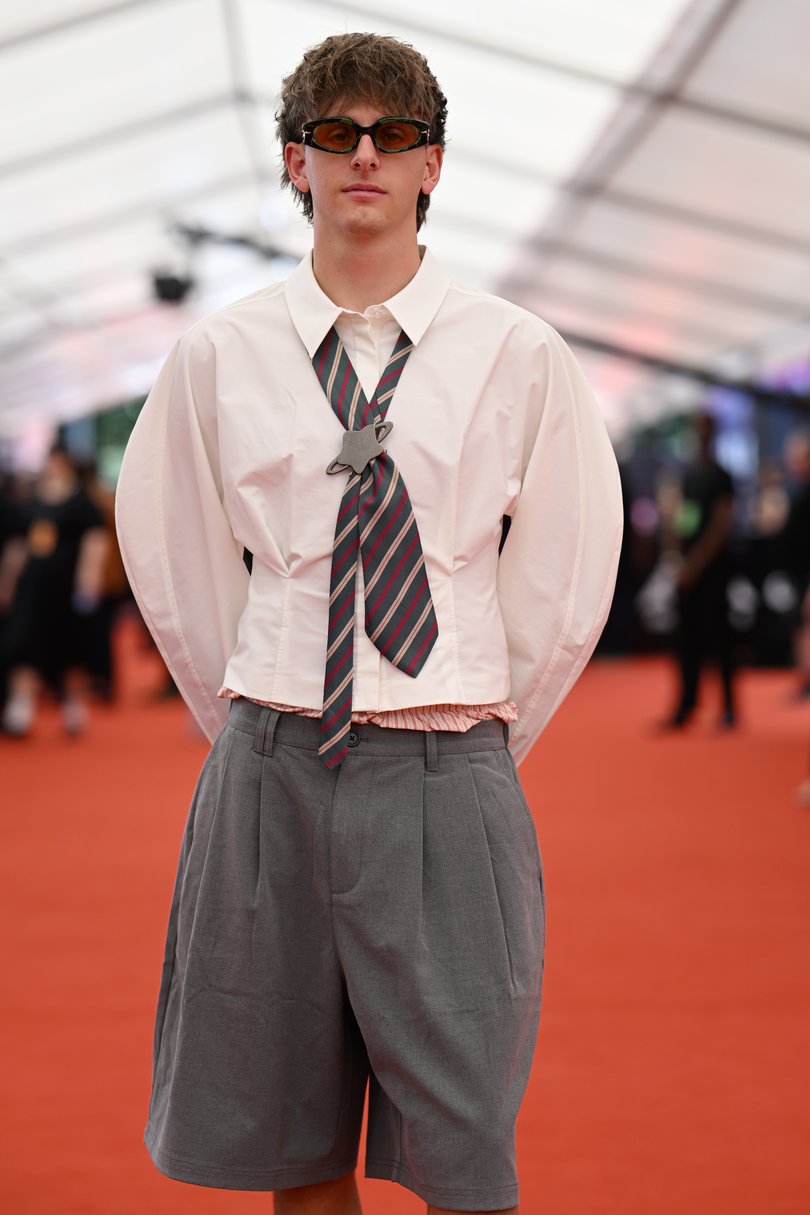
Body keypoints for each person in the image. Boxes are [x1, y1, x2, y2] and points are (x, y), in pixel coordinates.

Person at [116, 32, 623, 1215]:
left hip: (449, 761)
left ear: (431, 164)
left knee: (464, 1154)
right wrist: (261, 715)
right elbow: (181, 571)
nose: (363, 159)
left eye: (391, 137)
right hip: (273, 760)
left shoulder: (516, 353)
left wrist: (479, 740)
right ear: (295, 162)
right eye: (333, 136)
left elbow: (561, 582)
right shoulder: (219, 356)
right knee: (294, 1148)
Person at [1, 446, 107, 737]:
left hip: (66, 588)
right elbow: (19, 545)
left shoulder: (82, 502)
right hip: (34, 591)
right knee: (25, 646)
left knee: (70, 649)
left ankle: (73, 707)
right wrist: (8, 581)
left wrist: (88, 582)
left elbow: (95, 543)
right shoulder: (33, 501)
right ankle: (20, 708)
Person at [661, 411, 737, 729]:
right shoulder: (691, 476)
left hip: (714, 571)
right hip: (689, 572)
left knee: (720, 637)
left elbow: (721, 525)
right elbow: (685, 520)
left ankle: (730, 707)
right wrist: (677, 558)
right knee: (686, 639)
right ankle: (686, 703)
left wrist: (695, 563)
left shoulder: (721, 476)